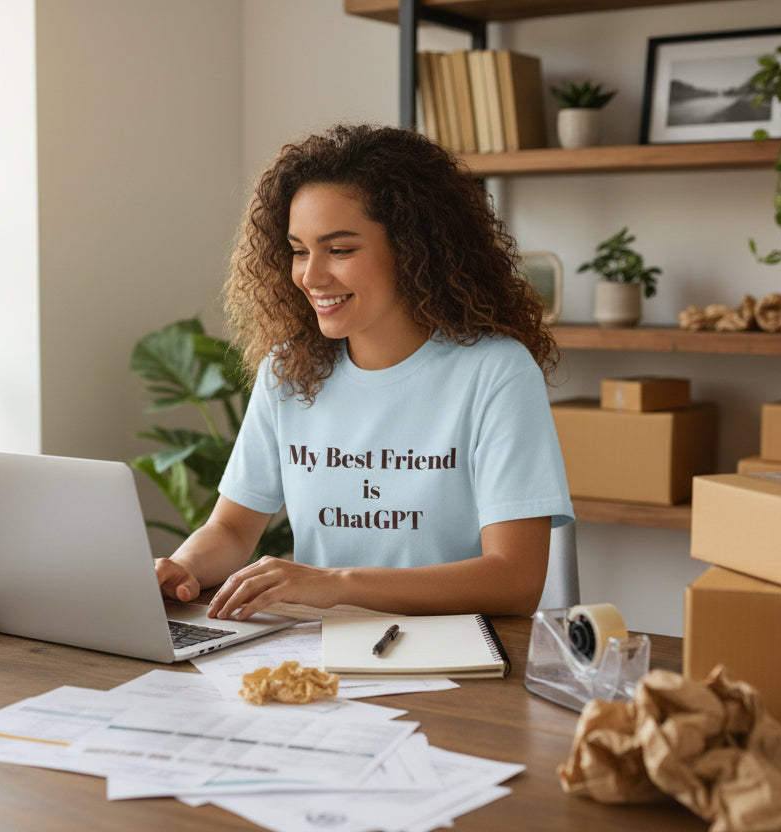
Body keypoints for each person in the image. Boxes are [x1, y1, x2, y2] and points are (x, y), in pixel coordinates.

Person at [154, 123, 572, 621]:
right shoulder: (288, 370)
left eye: (341, 249)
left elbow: (515, 579)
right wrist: (182, 568)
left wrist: (337, 585)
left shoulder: (494, 371)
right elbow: (231, 530)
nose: (311, 276)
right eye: (300, 250)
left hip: (456, 661)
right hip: (320, 657)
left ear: (416, 248)